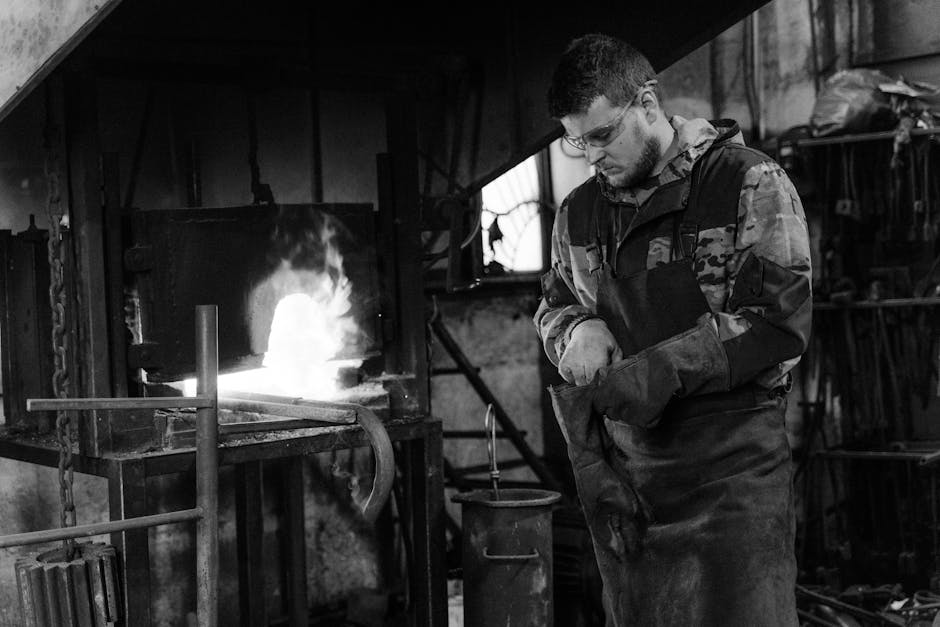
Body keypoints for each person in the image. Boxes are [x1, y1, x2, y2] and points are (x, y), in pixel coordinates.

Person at [534, 33, 812, 626]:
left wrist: (657, 371)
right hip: (630, 484)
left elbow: (777, 324)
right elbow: (554, 305)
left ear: (648, 102)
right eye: (577, 141)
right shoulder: (578, 214)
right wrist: (574, 330)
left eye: (603, 135)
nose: (591, 157)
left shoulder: (746, 182)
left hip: (732, 474)